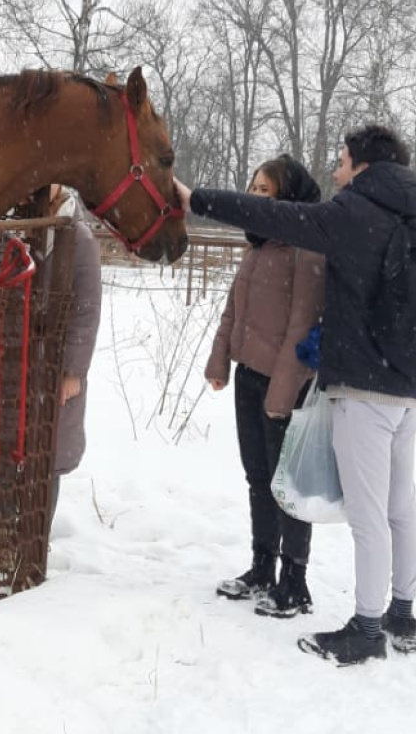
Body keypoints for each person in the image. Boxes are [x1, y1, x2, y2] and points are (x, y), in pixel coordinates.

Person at [175, 124, 416, 666]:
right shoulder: (406, 210)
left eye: (342, 156)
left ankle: (368, 625)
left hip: (363, 386)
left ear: (362, 163)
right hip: (406, 387)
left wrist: (199, 199)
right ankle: (402, 612)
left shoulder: (355, 211)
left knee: (370, 515)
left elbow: (278, 218)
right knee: (400, 508)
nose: (336, 163)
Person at [207, 155, 325, 618]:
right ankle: (262, 567)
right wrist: (220, 360)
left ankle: (294, 581)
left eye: (264, 191)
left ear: (287, 197)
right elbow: (233, 310)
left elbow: (302, 325)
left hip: (286, 386)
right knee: (258, 478)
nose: (254, 197)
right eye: (252, 188)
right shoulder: (256, 245)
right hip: (248, 377)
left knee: (287, 485)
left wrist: (282, 392)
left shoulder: (305, 247)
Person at [0, 184, 102, 550]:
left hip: (48, 366)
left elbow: (86, 310)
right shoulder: (2, 234)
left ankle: (33, 538)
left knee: (45, 452)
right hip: (3, 360)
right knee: (1, 447)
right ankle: (3, 535)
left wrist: (73, 371)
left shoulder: (77, 237)